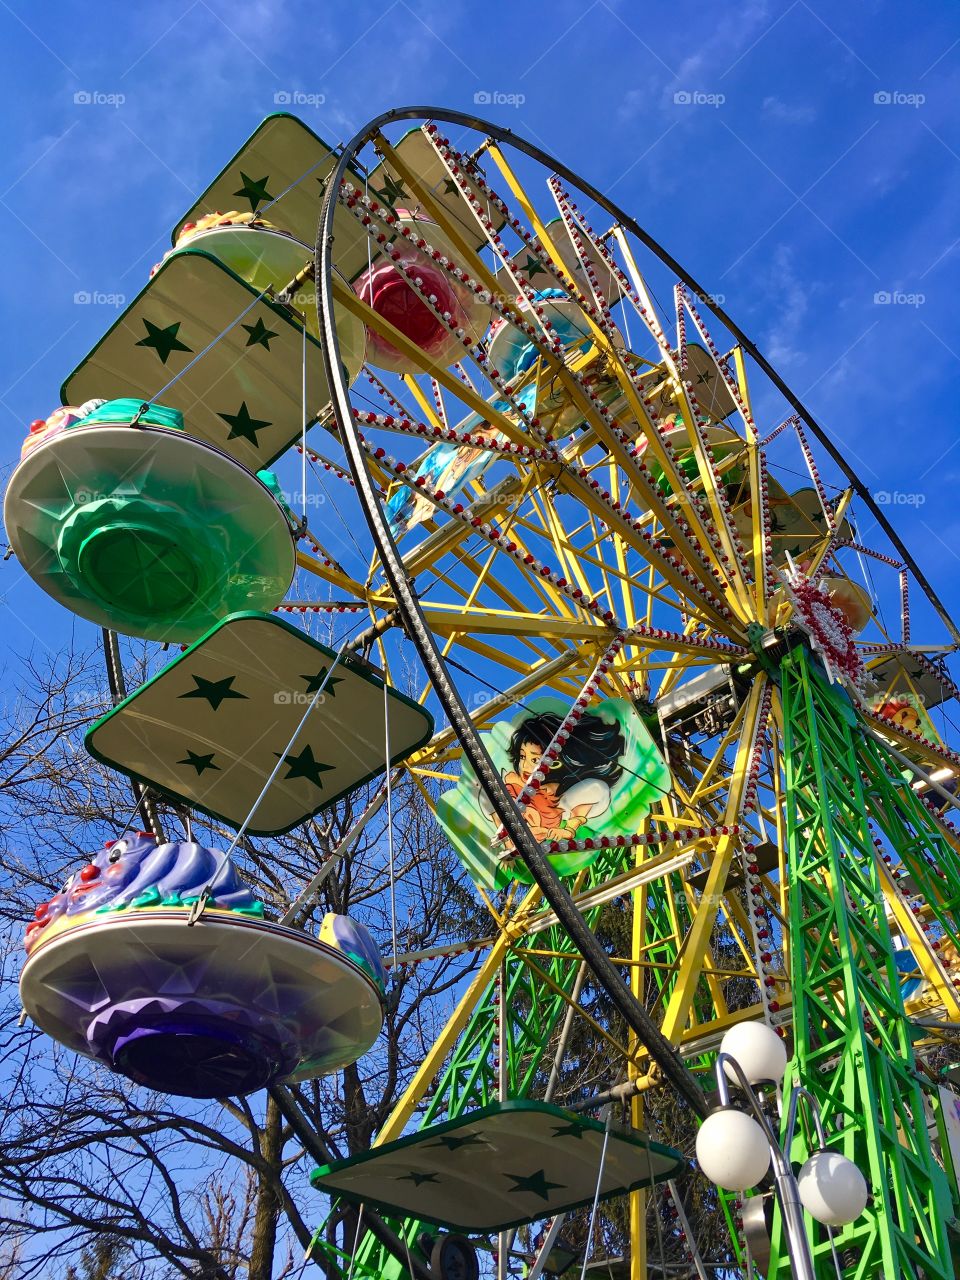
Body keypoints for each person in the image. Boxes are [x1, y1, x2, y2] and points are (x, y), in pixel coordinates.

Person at [500, 710, 626, 849]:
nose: (524, 765)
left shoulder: (564, 793)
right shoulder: (514, 782)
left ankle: (570, 827)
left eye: (534, 759)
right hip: (532, 822)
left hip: (558, 813)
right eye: (522, 757)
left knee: (598, 788)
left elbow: (596, 791)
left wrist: (568, 829)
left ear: (556, 762)